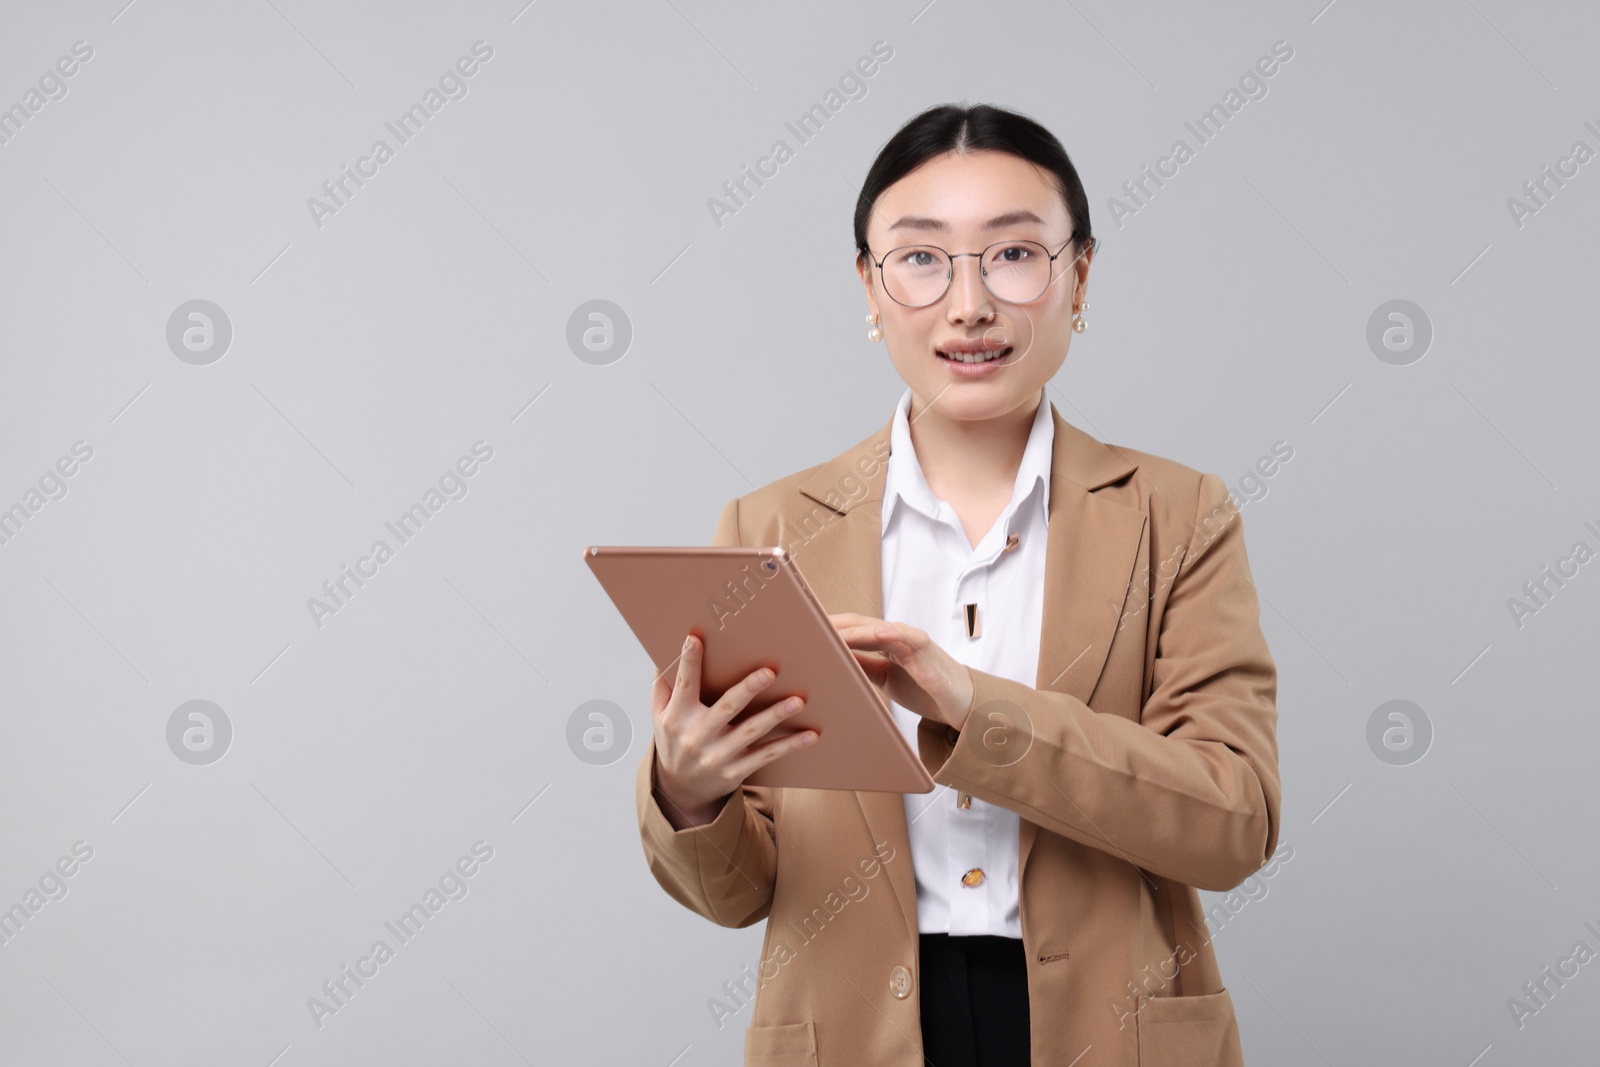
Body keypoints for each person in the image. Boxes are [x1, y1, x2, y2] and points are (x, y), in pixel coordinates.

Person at [635, 102, 1281, 1067]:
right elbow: (737, 892)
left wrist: (976, 710)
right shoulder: (769, 531)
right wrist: (691, 794)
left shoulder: (1178, 514)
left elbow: (1233, 822)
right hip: (856, 1031)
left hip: (1114, 1031)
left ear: (1079, 276)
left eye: (1014, 255)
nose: (969, 304)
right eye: (922, 258)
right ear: (869, 284)